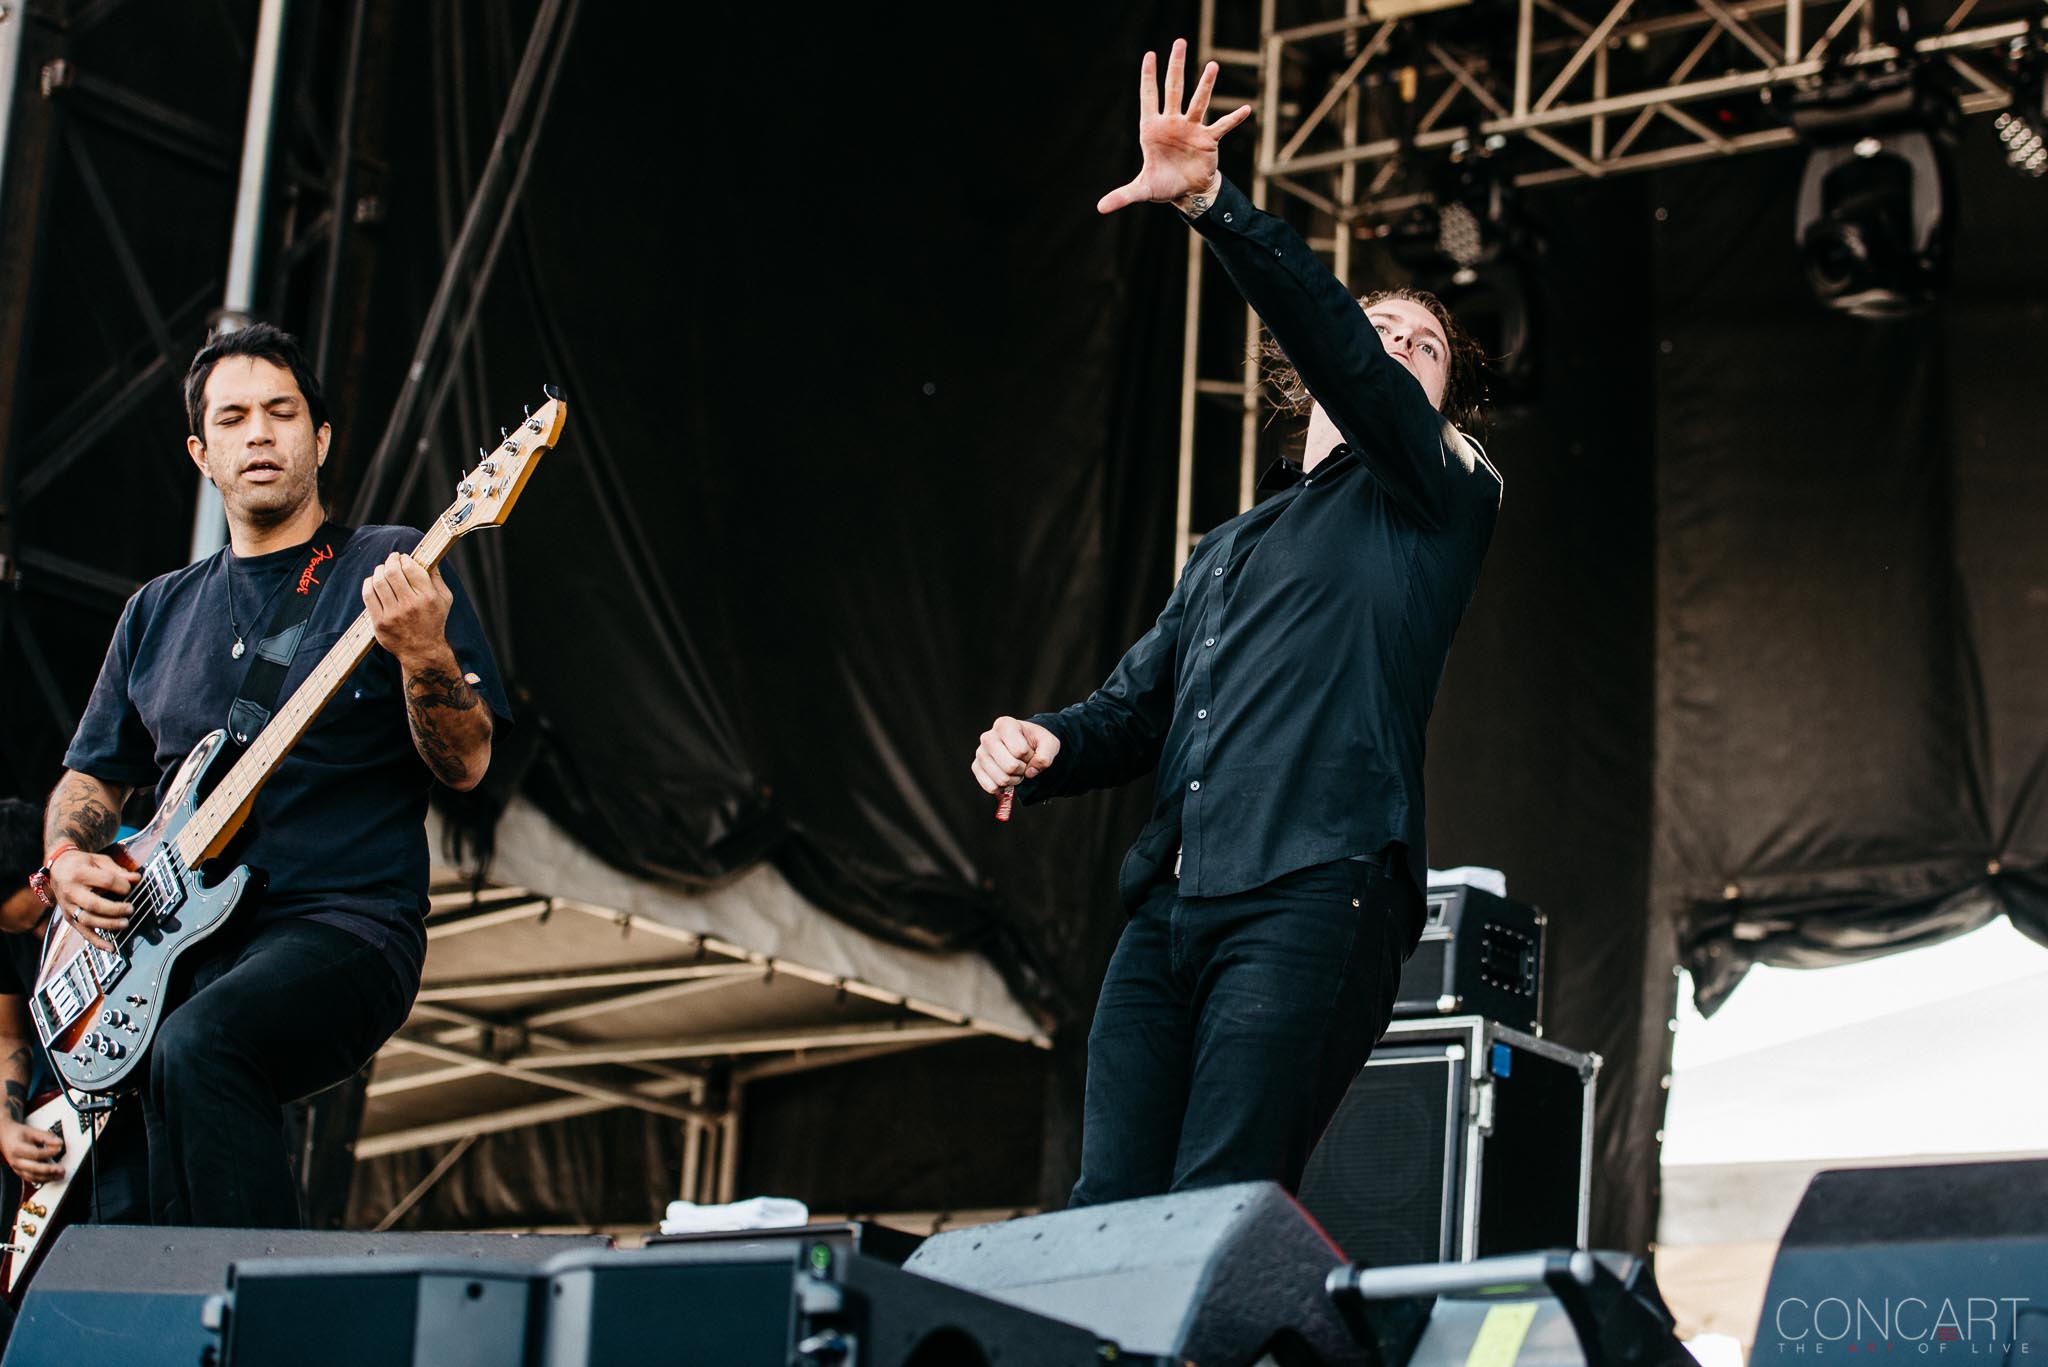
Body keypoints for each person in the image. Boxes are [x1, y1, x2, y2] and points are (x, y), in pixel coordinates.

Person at [971, 40, 1502, 1206]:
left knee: (1220, 1201)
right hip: (1170, 904)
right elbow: (1134, 709)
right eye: (1377, 325)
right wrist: (1044, 740)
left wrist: (1213, 203)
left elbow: (1341, 351)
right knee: (1107, 1205)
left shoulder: (1446, 488)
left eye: (1421, 345)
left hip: (1315, 886)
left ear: (1435, 395)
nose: (1393, 344)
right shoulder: (1225, 547)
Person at [32, 322, 511, 1227]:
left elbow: (469, 762)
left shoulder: (387, 565)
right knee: (124, 1185)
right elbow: (92, 777)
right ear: (201, 454)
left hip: (342, 923)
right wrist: (65, 858)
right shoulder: (157, 611)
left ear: (320, 440)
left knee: (202, 1045)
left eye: (282, 413)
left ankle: (259, 1299)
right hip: (171, 945)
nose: (259, 433)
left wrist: (423, 653)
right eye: (234, 418)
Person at [0, 798, 149, 1227]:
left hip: (147, 1098)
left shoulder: (128, 863)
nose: (42, 937)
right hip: (71, 1116)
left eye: (46, 916)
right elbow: (9, 1036)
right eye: (23, 932)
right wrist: (6, 1125)